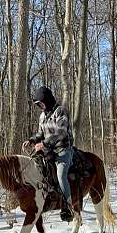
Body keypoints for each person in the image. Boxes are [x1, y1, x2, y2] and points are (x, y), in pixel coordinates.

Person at [23, 86, 74, 221]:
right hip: (48, 151)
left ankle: (69, 206)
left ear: (47, 99)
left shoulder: (61, 111)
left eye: (41, 102)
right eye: (38, 104)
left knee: (61, 175)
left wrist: (44, 144)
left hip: (63, 150)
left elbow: (61, 132)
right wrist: (32, 140)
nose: (40, 106)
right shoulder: (42, 115)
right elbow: (41, 133)